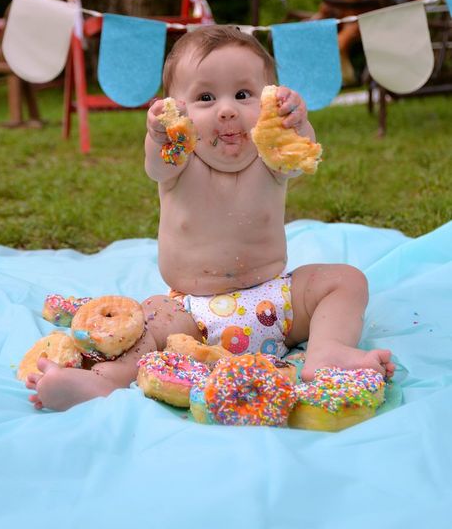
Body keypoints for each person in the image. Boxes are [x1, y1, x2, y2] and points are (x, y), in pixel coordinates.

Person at [27, 25, 394, 411]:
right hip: (192, 316)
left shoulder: (270, 156)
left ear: (268, 102)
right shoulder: (178, 161)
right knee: (148, 319)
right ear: (177, 111)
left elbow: (298, 153)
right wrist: (158, 134)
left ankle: (326, 351)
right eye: (205, 97)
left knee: (345, 281)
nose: (227, 109)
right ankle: (101, 381)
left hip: (277, 303)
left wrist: (297, 122)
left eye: (243, 94)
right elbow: (157, 160)